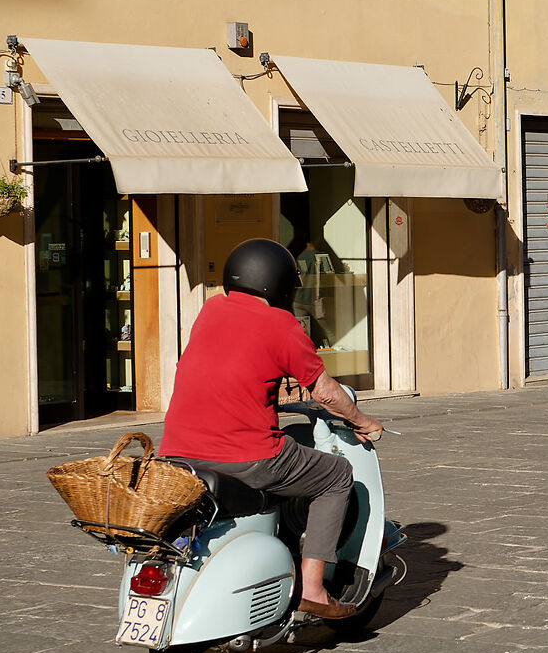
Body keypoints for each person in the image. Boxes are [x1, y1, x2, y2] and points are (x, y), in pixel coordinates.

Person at [159, 239, 384, 620]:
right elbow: (326, 393)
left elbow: (228, 368)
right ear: (280, 284)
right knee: (336, 475)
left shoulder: (210, 310)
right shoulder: (282, 324)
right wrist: (363, 421)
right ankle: (313, 589)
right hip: (247, 456)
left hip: (179, 453)